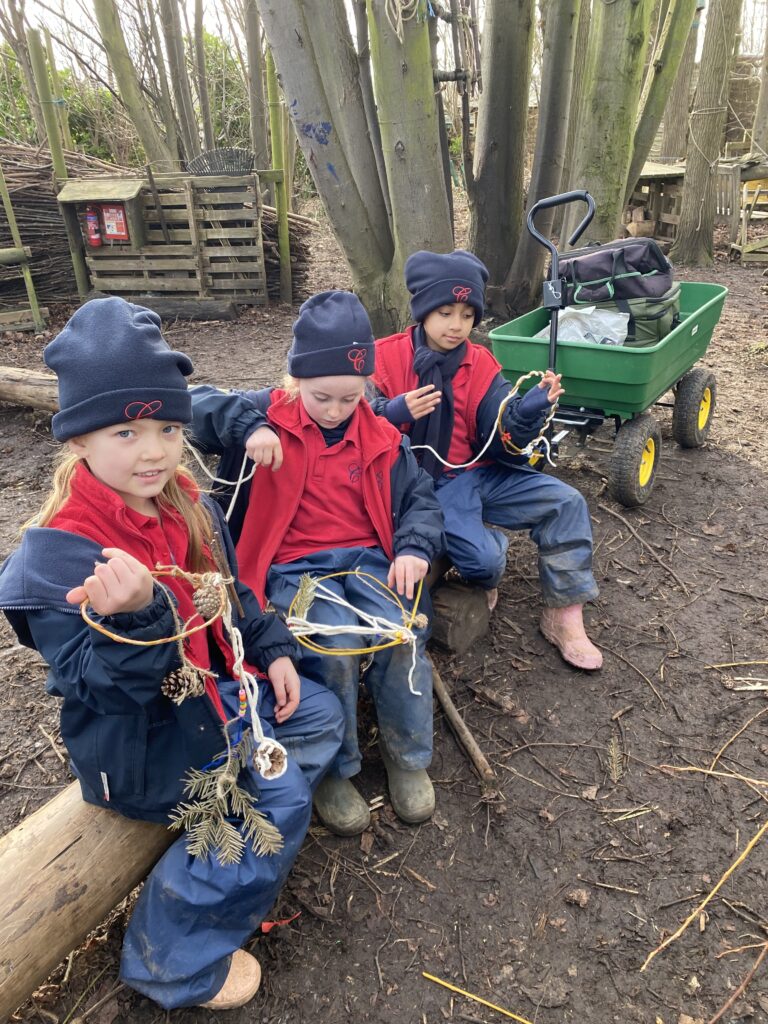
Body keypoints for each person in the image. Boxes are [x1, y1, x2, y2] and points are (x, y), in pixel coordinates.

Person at [0, 297, 345, 1011]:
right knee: (278, 802)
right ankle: (173, 959)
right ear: (78, 442)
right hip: (146, 741)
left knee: (317, 713)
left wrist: (272, 645)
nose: (153, 449)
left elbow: (230, 591)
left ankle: (242, 814)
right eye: (125, 430)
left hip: (219, 688)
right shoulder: (59, 560)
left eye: (165, 427)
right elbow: (100, 686)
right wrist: (140, 614)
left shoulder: (185, 498)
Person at [190, 290, 445, 837]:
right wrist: (248, 427)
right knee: (328, 639)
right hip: (294, 570)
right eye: (321, 396)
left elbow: (420, 498)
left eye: (349, 399)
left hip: (367, 561)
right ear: (295, 381)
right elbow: (191, 406)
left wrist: (413, 547)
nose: (333, 411)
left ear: (367, 391)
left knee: (401, 636)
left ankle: (407, 757)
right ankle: (336, 764)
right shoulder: (269, 417)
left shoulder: (379, 434)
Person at [371, 250, 602, 671]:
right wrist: (394, 411)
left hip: (479, 473)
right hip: (426, 486)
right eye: (444, 312)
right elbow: (351, 421)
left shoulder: (480, 363)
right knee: (486, 562)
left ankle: (564, 616)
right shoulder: (383, 358)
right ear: (423, 310)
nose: (457, 325)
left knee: (566, 503)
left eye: (467, 314)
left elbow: (502, 435)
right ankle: (483, 548)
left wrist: (528, 411)